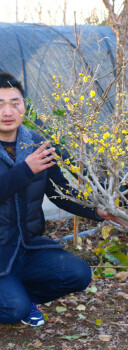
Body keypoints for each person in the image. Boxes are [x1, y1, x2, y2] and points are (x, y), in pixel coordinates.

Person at [0, 72, 118, 327]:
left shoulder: (36, 143)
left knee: (78, 274)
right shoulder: (31, 159)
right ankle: (13, 299)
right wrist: (25, 171)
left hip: (27, 246)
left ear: (24, 105)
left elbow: (59, 192)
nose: (7, 111)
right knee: (12, 311)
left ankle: (21, 294)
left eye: (14, 102)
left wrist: (97, 211)